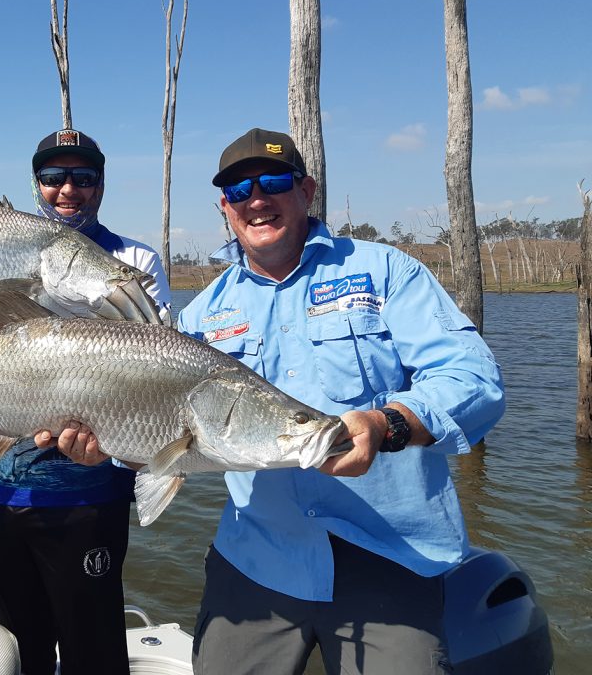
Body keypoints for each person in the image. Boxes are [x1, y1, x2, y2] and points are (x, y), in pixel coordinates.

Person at [46, 128, 504, 675]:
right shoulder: (199, 317)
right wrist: (110, 447)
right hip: (257, 558)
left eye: (274, 182)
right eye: (238, 191)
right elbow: (163, 441)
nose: (256, 199)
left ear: (307, 190)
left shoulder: (386, 272)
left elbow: (474, 377)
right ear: (225, 207)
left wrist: (389, 424)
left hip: (392, 554)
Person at [0, 128, 171, 675]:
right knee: (20, 648)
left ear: (100, 184)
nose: (68, 188)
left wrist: (120, 450)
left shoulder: (133, 262)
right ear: (35, 184)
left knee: (94, 651)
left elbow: (160, 375)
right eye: (53, 177)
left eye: (83, 176)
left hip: (89, 496)